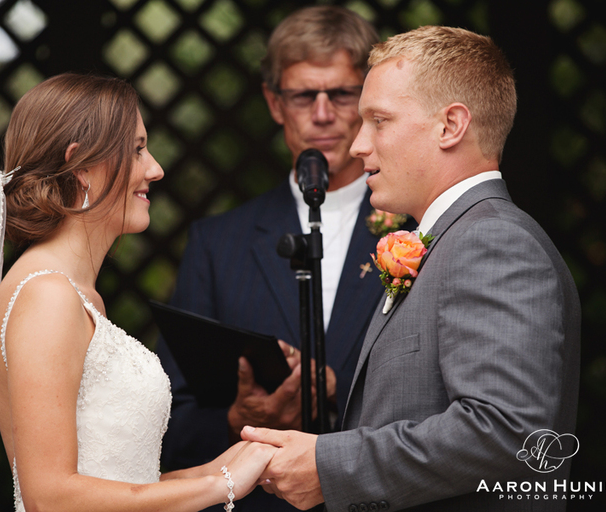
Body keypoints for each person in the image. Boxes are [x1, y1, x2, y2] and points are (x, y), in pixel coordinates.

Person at [242, 25, 581, 511]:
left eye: (379, 120)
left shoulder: (493, 241)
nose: (358, 145)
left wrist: (328, 465)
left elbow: (507, 430)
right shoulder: (452, 239)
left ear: (450, 126)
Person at [0, 73, 277, 512]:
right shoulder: (47, 297)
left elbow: (119, 482)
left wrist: (216, 469)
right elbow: (51, 497)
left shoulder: (76, 295)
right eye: (138, 149)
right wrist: (222, 486)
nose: (155, 168)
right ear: (81, 166)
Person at [158, 7, 414, 511]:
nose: (322, 114)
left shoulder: (416, 228)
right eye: (303, 96)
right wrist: (238, 420)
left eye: (341, 94)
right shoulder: (217, 243)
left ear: (367, 99)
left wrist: (338, 392)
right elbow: (168, 423)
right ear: (275, 103)